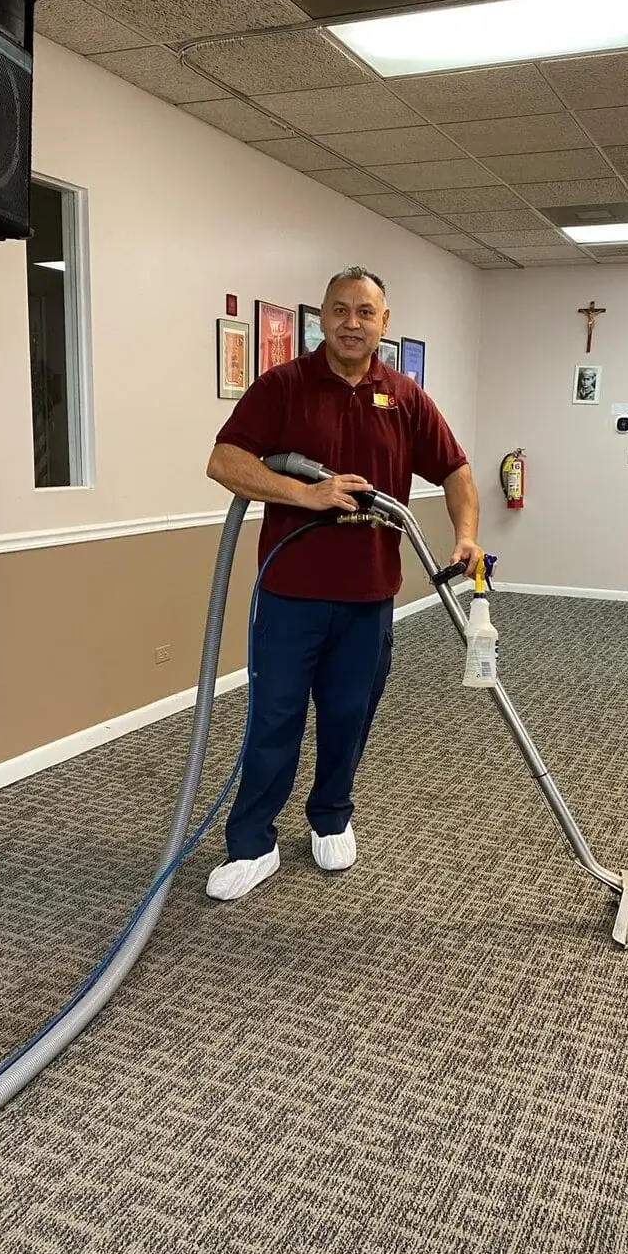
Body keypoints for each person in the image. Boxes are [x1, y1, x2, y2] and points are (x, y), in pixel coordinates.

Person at [204, 266, 483, 901]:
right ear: (322, 317)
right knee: (274, 718)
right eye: (339, 310)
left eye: (364, 312)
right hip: (289, 594)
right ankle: (252, 842)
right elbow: (225, 461)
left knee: (348, 717)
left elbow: (457, 471)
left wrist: (466, 534)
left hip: (368, 597)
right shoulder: (284, 386)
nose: (351, 323)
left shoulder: (404, 397)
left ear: (385, 322)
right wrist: (307, 493)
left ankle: (331, 817)